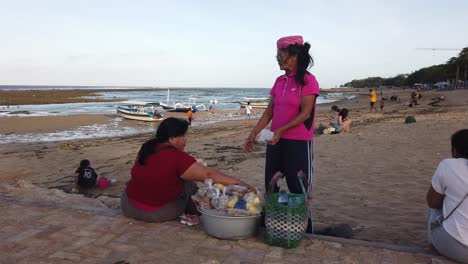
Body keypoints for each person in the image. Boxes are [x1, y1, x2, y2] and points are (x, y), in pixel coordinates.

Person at [243, 35, 319, 233]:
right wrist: (253, 134)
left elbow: (305, 113)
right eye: (277, 54)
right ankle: (272, 221)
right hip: (275, 141)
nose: (278, 58)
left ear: (294, 57)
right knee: (271, 184)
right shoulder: (279, 81)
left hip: (299, 142)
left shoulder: (308, 81)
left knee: (298, 186)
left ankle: (305, 228)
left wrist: (281, 130)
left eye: (281, 54)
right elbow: (269, 112)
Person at [121, 117, 255, 224]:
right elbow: (208, 174)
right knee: (189, 185)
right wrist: (241, 184)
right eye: (183, 136)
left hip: (129, 206)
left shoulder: (147, 148)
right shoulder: (177, 157)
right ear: (172, 138)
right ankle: (198, 213)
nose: (186, 140)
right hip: (156, 213)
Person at [426, 129, 468, 263]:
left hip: (458, 248)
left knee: (433, 209)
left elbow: (432, 203)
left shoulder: (448, 165)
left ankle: (433, 246)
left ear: (454, 150)